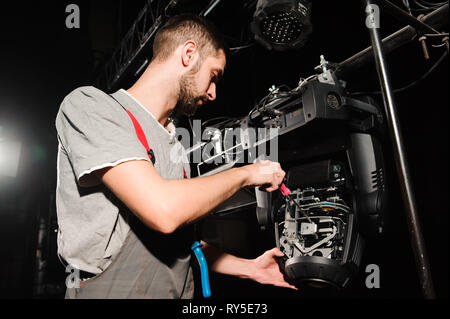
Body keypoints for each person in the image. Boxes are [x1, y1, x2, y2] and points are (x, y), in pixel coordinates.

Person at [55, 13, 296, 299]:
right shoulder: (92, 107)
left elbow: (180, 244)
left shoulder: (176, 146)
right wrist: (246, 173)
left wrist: (251, 268)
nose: (213, 93)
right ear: (189, 54)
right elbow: (164, 211)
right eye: (213, 76)